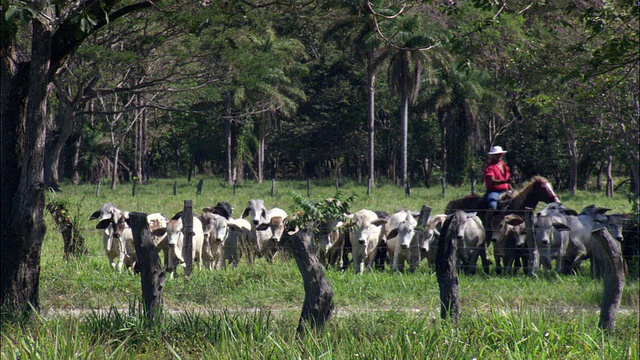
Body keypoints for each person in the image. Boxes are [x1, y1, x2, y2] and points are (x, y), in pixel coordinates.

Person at [484, 146, 511, 210]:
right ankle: (488, 218)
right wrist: (505, 181)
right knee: (492, 206)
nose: (499, 156)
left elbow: (507, 179)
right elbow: (491, 181)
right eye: (497, 154)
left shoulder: (503, 164)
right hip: (494, 191)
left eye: (500, 154)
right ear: (492, 155)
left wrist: (510, 186)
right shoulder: (490, 167)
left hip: (506, 190)